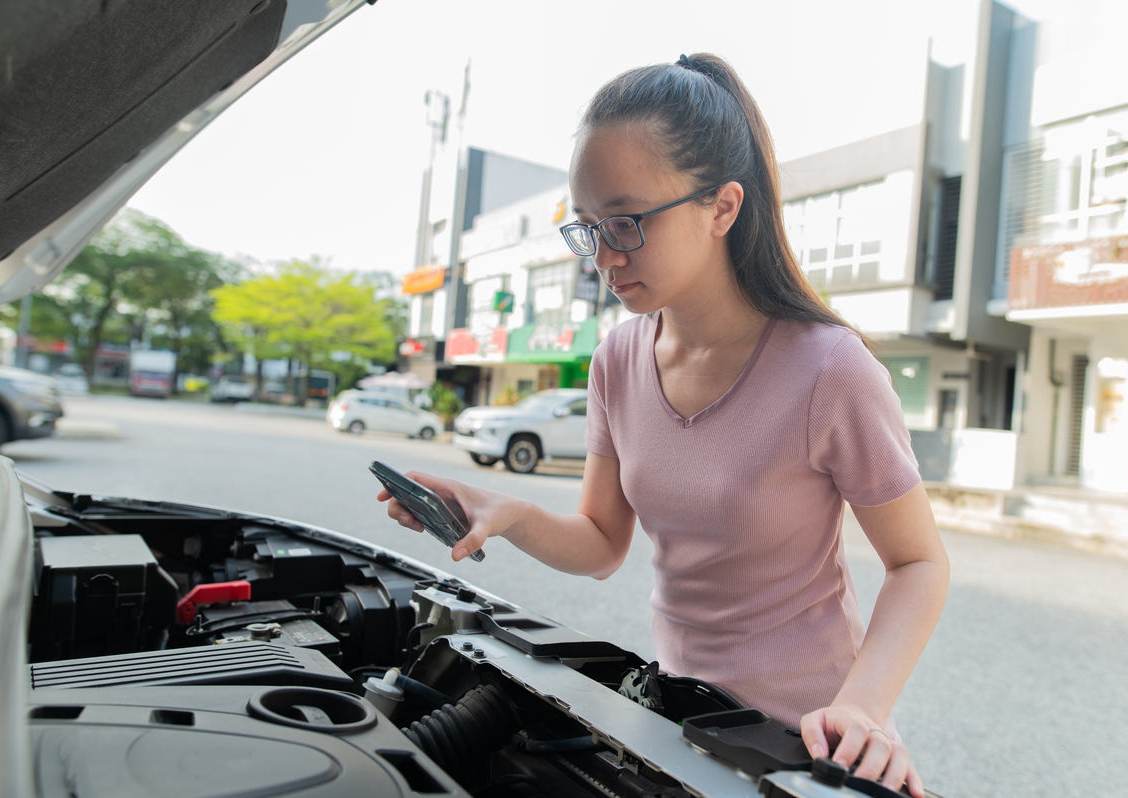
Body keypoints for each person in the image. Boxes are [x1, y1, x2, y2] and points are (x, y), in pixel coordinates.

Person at [378, 53, 949, 798]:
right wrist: (506, 513)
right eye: (587, 229)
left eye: (625, 222)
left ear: (722, 207)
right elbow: (603, 544)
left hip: (811, 742)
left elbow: (918, 565)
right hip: (676, 725)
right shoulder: (617, 356)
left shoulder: (830, 369)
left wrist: (863, 709)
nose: (603, 258)